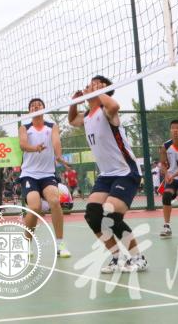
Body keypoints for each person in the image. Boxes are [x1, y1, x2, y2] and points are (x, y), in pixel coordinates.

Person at [67, 75, 147, 274]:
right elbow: (72, 120)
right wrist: (74, 102)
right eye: (89, 84)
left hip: (126, 171)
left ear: (102, 90)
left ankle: (138, 257)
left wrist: (99, 91)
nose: (88, 87)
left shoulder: (107, 111)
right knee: (93, 216)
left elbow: (114, 106)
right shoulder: (87, 115)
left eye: (93, 85)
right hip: (106, 175)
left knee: (110, 214)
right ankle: (117, 257)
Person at [18, 98, 72, 257]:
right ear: (29, 111)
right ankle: (26, 244)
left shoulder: (52, 126)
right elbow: (23, 145)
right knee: (35, 207)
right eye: (33, 106)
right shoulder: (25, 128)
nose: (36, 107)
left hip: (47, 174)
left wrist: (59, 155)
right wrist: (35, 148)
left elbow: (56, 141)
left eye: (39, 105)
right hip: (29, 174)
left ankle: (60, 244)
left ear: (44, 108)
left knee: (55, 201)